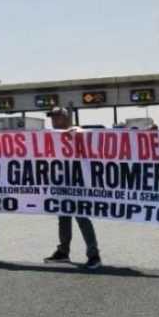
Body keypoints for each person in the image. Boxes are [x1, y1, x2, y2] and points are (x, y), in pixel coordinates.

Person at [43, 107, 102, 269]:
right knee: (63, 218)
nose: (54, 120)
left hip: (78, 184)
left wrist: (74, 132)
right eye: (52, 118)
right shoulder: (52, 136)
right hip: (61, 183)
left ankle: (94, 254)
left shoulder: (76, 132)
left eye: (57, 117)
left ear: (65, 118)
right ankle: (63, 251)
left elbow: (87, 140)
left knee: (82, 218)